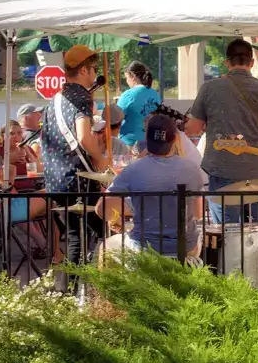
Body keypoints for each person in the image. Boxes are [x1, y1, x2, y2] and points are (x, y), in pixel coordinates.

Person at [186, 39, 258, 224]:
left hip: (222, 167)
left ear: (227, 62)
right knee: (256, 230)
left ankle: (229, 253)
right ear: (252, 62)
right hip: (256, 169)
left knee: (226, 231)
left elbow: (193, 128)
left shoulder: (209, 88)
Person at [97, 114, 204, 259]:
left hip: (146, 248)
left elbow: (101, 209)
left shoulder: (134, 169)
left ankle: (117, 282)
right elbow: (198, 213)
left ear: (147, 138)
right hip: (185, 248)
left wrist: (115, 218)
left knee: (105, 246)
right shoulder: (192, 169)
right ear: (174, 139)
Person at [40, 45, 110, 265]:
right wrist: (101, 159)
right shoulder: (81, 97)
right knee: (99, 234)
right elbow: (83, 137)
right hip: (78, 180)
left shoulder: (55, 99)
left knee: (74, 235)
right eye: (92, 69)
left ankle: (72, 289)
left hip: (55, 180)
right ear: (83, 71)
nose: (94, 73)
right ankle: (87, 289)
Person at [0, 129, 50, 259]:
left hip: (8, 206)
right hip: (12, 208)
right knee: (56, 195)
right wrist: (11, 175)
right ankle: (56, 251)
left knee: (52, 194)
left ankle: (45, 245)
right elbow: (2, 187)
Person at [117, 61, 162, 146]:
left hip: (130, 144)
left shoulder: (128, 95)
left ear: (133, 76)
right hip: (151, 144)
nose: (127, 81)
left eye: (127, 78)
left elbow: (115, 118)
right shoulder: (155, 94)